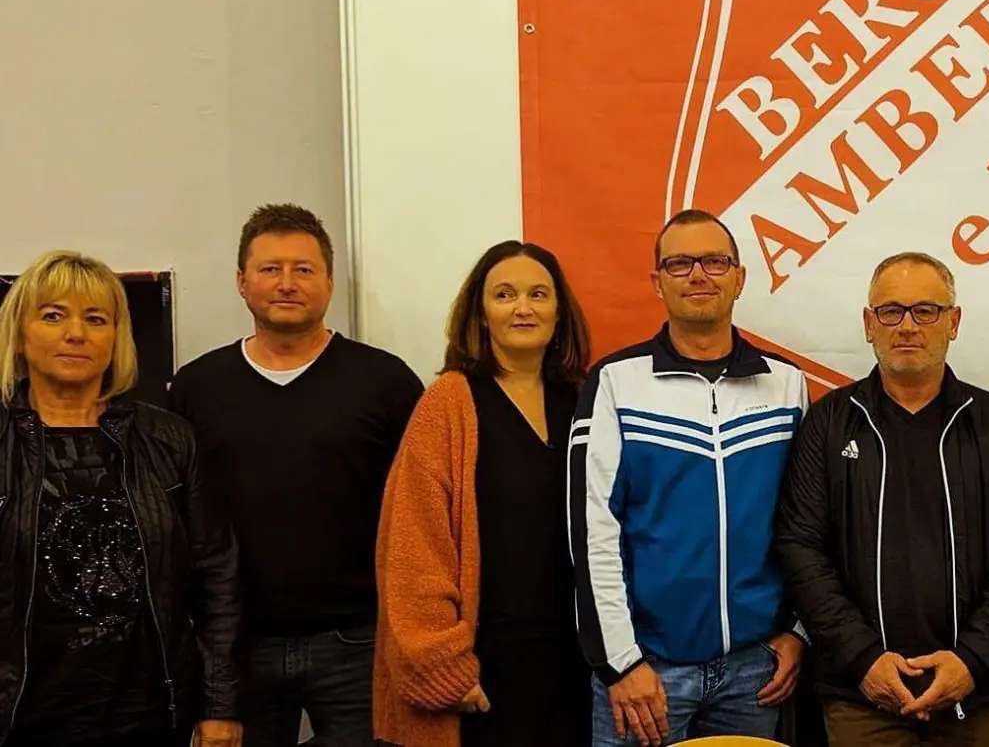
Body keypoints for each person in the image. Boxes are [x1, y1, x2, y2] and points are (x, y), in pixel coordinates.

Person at [167, 204, 425, 747]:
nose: (287, 283)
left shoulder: (386, 381)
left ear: (329, 282)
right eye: (270, 269)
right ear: (241, 282)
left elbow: (422, 515)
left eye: (304, 269)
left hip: (359, 641)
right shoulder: (196, 387)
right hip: (237, 650)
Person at [774, 251, 989, 747]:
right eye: (890, 311)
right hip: (860, 695)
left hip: (975, 694)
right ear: (868, 323)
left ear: (954, 322)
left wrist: (972, 660)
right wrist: (862, 660)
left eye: (925, 311)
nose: (907, 326)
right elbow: (801, 548)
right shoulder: (828, 422)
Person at [570, 209, 809, 746]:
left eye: (715, 261)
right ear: (657, 283)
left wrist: (798, 633)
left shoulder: (787, 386)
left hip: (756, 671)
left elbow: (810, 525)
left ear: (740, 277)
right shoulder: (614, 382)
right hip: (646, 673)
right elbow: (592, 533)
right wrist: (618, 663)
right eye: (679, 264)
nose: (699, 275)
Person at [0, 250, 242, 747]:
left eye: (95, 319)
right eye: (52, 315)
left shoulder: (170, 439)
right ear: (20, 334)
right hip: (19, 716)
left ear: (116, 337)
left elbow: (217, 574)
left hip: (149, 712)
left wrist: (220, 705)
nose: (76, 333)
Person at [374, 240, 594, 746]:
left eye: (539, 294)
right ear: (481, 312)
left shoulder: (583, 400)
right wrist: (443, 664)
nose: (523, 307)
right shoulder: (449, 404)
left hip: (573, 661)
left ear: (559, 312)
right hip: (483, 666)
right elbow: (413, 547)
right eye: (504, 294)